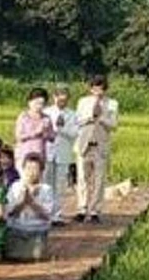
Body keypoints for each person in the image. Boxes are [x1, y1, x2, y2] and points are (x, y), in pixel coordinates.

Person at [74, 74, 119, 223]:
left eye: (100, 88)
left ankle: (95, 210)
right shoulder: (83, 102)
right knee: (82, 178)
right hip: (84, 143)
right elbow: (77, 121)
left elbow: (114, 125)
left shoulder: (112, 104)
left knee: (99, 180)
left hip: (100, 145)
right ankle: (82, 208)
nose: (97, 92)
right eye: (94, 88)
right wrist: (89, 117)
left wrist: (101, 117)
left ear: (105, 89)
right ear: (90, 88)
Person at [46, 85, 79, 225]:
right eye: (59, 99)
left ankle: (57, 215)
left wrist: (62, 128)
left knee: (60, 185)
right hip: (48, 152)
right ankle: (45, 213)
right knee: (46, 184)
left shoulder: (73, 114)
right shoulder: (46, 112)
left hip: (63, 153)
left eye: (64, 100)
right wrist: (53, 128)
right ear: (54, 98)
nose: (61, 102)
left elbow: (75, 133)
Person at [6, 153, 56, 237]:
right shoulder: (16, 186)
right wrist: (23, 201)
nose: (31, 172)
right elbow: (10, 213)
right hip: (17, 228)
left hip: (38, 229)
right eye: (28, 168)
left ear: (41, 171)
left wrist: (32, 202)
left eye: (35, 169)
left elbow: (47, 215)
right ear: (23, 169)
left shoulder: (46, 189)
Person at [14, 87, 54, 168]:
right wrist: (35, 133)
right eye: (36, 103)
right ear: (29, 102)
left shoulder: (46, 118)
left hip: (40, 154)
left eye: (42, 104)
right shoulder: (23, 117)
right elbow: (19, 137)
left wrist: (46, 134)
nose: (39, 106)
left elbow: (52, 137)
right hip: (24, 154)